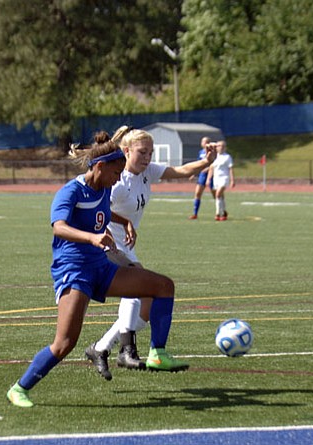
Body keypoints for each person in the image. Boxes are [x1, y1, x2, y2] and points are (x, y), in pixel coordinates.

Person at [6, 131, 189, 408]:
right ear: (100, 167)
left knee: (163, 286)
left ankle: (157, 353)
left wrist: (125, 221)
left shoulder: (103, 188)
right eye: (116, 172)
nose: (119, 178)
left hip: (101, 268)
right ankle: (20, 388)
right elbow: (59, 226)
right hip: (74, 271)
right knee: (64, 343)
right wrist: (92, 237)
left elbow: (105, 209)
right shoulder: (71, 191)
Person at [86, 126, 215, 379]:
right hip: (107, 244)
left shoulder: (147, 172)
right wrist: (124, 223)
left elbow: (180, 171)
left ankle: (100, 348)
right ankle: (127, 350)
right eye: (142, 152)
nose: (147, 158)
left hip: (126, 247)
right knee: (137, 288)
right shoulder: (117, 179)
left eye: (150, 153)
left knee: (147, 306)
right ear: (126, 151)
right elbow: (97, 209)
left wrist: (206, 162)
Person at [188, 136, 216, 219]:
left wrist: (208, 168)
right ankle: (195, 213)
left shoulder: (213, 152)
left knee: (215, 194)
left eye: (205, 141)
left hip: (212, 175)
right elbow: (198, 164)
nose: (203, 143)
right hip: (202, 175)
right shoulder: (200, 152)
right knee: (198, 193)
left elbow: (215, 163)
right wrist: (193, 173)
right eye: (203, 141)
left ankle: (220, 211)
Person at [209, 140, 235, 221]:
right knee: (221, 196)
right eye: (218, 146)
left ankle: (217, 214)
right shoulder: (214, 157)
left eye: (221, 146)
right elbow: (211, 168)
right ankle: (224, 212)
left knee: (217, 195)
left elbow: (230, 169)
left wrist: (232, 180)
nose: (219, 148)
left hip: (224, 178)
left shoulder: (227, 157)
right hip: (216, 178)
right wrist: (208, 179)